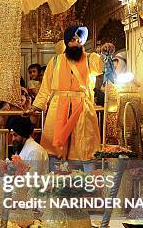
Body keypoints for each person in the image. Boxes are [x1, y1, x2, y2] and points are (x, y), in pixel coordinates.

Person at [30, 27, 105, 161]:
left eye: (79, 40)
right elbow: (45, 87)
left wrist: (105, 54)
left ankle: (84, 179)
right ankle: (57, 179)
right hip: (58, 107)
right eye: (72, 40)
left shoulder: (90, 59)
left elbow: (101, 66)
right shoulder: (55, 61)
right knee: (56, 148)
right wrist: (37, 106)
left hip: (82, 108)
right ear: (66, 42)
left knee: (84, 146)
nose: (76, 43)